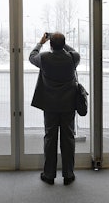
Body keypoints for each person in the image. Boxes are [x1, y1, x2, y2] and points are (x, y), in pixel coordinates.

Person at [29, 32, 80, 186]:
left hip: (50, 106)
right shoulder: (73, 58)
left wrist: (41, 42)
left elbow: (32, 56)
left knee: (50, 139)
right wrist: (59, 41)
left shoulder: (44, 58)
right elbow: (71, 50)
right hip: (68, 106)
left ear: (50, 44)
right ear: (64, 43)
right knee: (68, 139)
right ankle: (68, 174)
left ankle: (49, 175)